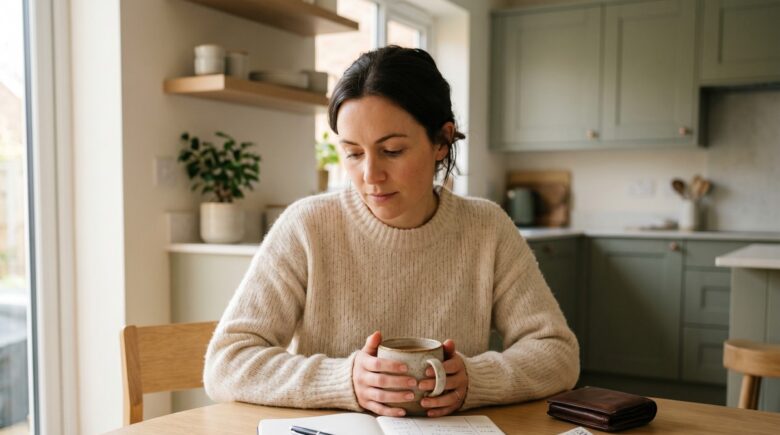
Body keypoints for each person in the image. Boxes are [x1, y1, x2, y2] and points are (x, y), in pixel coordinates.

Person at [203, 45, 579, 418]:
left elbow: (558, 353)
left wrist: (476, 380)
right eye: (353, 153)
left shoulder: (487, 229)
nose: (370, 175)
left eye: (393, 150)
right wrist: (344, 380)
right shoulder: (306, 226)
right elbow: (226, 362)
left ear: (441, 141)